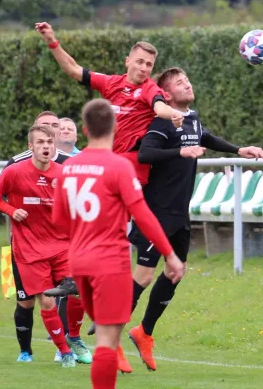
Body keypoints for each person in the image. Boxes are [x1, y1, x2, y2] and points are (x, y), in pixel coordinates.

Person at [126, 67, 263, 371]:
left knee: (176, 273)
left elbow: (206, 137)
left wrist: (238, 150)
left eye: (187, 79)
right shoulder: (162, 122)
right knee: (145, 275)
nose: (187, 84)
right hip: (156, 212)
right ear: (166, 94)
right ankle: (110, 338)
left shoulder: (192, 118)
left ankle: (144, 333)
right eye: (179, 83)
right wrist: (181, 152)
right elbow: (146, 154)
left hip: (179, 212)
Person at [52, 98, 184, 387]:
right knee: (107, 343)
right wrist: (170, 255)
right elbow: (144, 217)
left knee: (103, 340)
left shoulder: (67, 169)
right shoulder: (119, 167)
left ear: (85, 131)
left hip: (79, 263)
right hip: (109, 263)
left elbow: (60, 222)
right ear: (116, 127)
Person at [0, 125, 92, 367]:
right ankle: (64, 352)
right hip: (30, 249)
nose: (46, 146)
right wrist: (12, 210)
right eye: (41, 142)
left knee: (78, 290)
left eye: (49, 142)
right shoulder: (14, 172)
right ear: (30, 146)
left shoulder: (64, 173)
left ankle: (73, 338)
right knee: (46, 301)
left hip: (62, 245)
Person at [34, 22, 184, 185]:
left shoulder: (150, 89)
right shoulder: (111, 83)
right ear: (128, 61)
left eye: (149, 65)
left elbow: (160, 108)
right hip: (105, 159)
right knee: (67, 180)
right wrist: (51, 41)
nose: (144, 68)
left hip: (130, 164)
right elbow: (73, 69)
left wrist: (173, 114)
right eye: (139, 62)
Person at [1, 111, 77, 363]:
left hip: (62, 245)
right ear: (34, 136)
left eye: (55, 127)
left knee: (67, 292)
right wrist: (16, 215)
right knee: (26, 301)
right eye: (44, 128)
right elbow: (0, 197)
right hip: (26, 246)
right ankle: (25, 351)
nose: (51, 132)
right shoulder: (15, 164)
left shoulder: (69, 164)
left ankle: (65, 347)